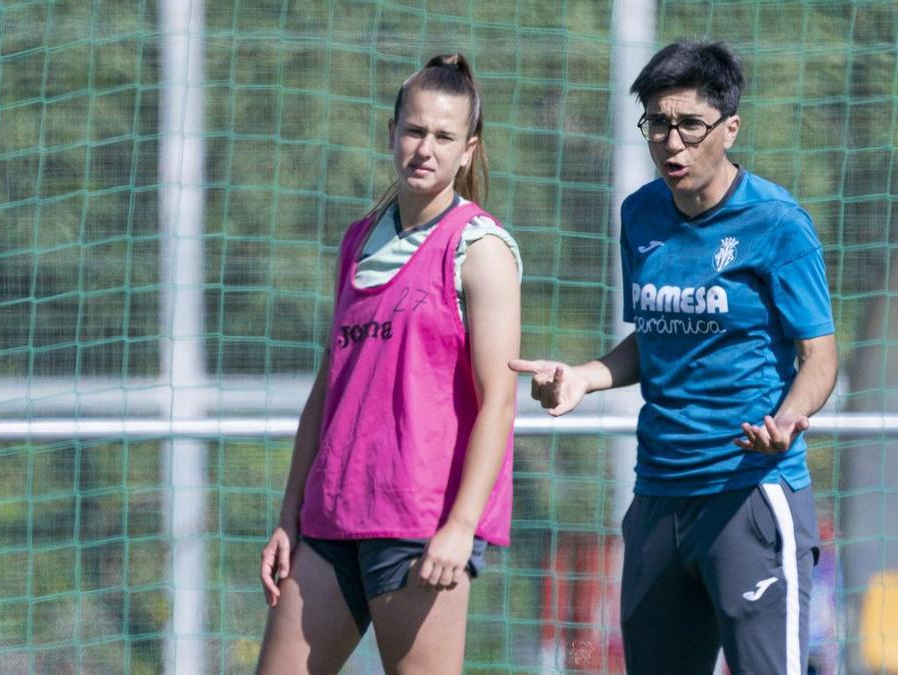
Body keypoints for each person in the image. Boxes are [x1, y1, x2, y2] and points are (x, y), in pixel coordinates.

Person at [511, 40, 837, 674]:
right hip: (658, 500)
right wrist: (584, 376)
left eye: (690, 124)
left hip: (748, 492)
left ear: (729, 127)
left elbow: (819, 357)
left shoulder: (778, 223)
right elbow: (654, 337)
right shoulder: (641, 214)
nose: (671, 142)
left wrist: (790, 418)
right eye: (658, 123)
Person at [256, 54, 521, 674]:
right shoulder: (358, 239)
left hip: (419, 529)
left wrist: (460, 527)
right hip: (330, 520)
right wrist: (289, 514)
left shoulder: (480, 248)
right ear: (392, 133)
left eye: (444, 136)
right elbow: (330, 388)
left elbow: (498, 401)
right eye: (414, 130)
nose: (425, 147)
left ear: (468, 149)